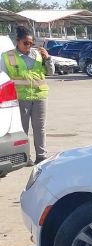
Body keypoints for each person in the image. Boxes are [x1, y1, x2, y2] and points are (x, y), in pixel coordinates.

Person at [2, 26, 54, 164]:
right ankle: (25, 157)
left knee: (39, 127)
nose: (29, 46)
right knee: (22, 129)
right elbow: (2, 78)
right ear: (17, 41)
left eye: (31, 43)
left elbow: (50, 72)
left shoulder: (38, 54)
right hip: (21, 97)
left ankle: (41, 156)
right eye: (25, 43)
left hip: (39, 96)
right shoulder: (8, 56)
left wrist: (48, 58)